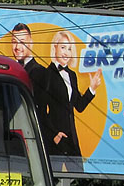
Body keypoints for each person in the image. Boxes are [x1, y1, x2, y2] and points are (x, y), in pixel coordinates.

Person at [43, 30, 102, 162]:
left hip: (72, 137)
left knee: (78, 174)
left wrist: (91, 88)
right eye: (63, 47)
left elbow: (79, 106)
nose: (66, 52)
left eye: (69, 49)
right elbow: (40, 108)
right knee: (54, 178)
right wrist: (53, 134)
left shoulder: (72, 75)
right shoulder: (47, 74)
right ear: (55, 47)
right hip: (56, 139)